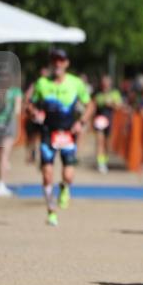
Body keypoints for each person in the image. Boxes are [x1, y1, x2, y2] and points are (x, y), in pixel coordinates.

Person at [28, 48, 93, 226]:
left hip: (67, 134)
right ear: (51, 63)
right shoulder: (42, 83)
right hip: (48, 132)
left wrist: (81, 122)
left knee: (69, 175)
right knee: (47, 174)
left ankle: (64, 187)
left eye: (61, 60)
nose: (58, 63)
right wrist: (35, 113)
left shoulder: (76, 83)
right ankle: (51, 211)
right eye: (55, 60)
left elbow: (89, 105)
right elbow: (30, 104)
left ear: (66, 63)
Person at [0, 75, 23, 197]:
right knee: (4, 156)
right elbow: (17, 111)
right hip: (7, 126)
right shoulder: (15, 92)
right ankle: (1, 185)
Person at [92, 75, 123, 173]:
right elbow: (92, 106)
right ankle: (100, 163)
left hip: (110, 120)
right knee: (99, 141)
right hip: (99, 120)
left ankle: (105, 160)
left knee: (106, 143)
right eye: (103, 82)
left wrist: (111, 103)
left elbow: (119, 106)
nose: (105, 84)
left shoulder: (115, 93)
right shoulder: (97, 94)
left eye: (107, 82)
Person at [23, 66, 49, 164]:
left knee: (44, 137)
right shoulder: (35, 85)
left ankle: (42, 156)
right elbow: (27, 98)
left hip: (46, 116)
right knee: (32, 138)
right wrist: (33, 111)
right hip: (35, 116)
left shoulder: (51, 85)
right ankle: (31, 155)